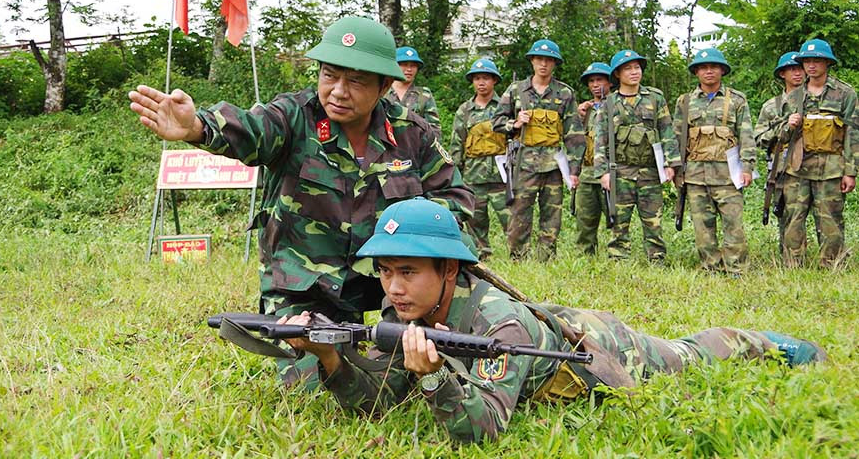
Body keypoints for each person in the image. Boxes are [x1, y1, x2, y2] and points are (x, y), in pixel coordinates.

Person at [279, 198, 826, 443]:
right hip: (550, 328)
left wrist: (437, 378)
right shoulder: (407, 312)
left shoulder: (500, 327)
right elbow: (378, 401)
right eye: (386, 272)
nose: (393, 288)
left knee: (688, 353)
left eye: (408, 272)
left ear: (450, 271)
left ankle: (777, 343)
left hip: (594, 344)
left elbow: (485, 429)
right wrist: (328, 357)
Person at [128, 16, 473, 386]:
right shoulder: (294, 117)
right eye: (330, 75)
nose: (338, 91)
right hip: (307, 288)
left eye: (355, 80)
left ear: (385, 85)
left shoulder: (412, 133)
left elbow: (457, 200)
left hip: (387, 281)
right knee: (319, 389)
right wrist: (198, 127)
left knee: (404, 377)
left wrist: (410, 236)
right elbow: (251, 130)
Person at [491, 39, 584, 260]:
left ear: (555, 64)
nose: (544, 64)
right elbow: (495, 122)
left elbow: (574, 134)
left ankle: (546, 258)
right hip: (524, 163)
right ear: (532, 61)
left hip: (553, 163)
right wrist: (514, 123)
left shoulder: (564, 93)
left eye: (549, 60)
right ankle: (518, 257)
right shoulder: (516, 90)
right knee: (520, 213)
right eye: (540, 59)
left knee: (552, 214)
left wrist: (573, 170)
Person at [673, 48, 756, 275]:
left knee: (734, 224)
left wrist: (747, 167)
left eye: (714, 67)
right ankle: (711, 266)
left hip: (728, 175)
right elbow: (677, 138)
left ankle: (736, 268)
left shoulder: (737, 100)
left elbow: (746, 135)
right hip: (696, 175)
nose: (709, 71)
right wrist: (676, 170)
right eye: (703, 67)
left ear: (722, 70)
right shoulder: (685, 102)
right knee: (702, 226)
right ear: (697, 72)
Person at [777, 39, 858, 268]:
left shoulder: (845, 94)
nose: (811, 66)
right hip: (798, 167)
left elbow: (853, 134)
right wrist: (788, 126)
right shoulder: (793, 97)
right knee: (794, 217)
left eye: (817, 61)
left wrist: (850, 172)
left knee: (830, 218)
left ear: (827, 63)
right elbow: (779, 136)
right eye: (807, 61)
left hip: (831, 167)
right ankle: (793, 265)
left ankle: (831, 264)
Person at [593, 50, 680, 262]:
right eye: (628, 68)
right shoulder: (608, 103)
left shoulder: (655, 98)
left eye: (637, 67)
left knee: (653, 220)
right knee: (619, 221)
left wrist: (671, 163)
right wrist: (602, 172)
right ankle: (618, 258)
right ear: (617, 74)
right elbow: (600, 139)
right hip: (620, 170)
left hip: (649, 170)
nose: (634, 72)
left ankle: (657, 258)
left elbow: (667, 130)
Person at [448, 58, 510, 259]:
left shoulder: (505, 106)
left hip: (502, 174)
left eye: (485, 78)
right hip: (474, 174)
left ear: (494, 81)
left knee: (510, 216)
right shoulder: (464, 110)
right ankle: (482, 253)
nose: (481, 83)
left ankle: (517, 252)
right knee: (476, 218)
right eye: (477, 78)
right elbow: (457, 143)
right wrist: (454, 174)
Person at [754, 52, 807, 254]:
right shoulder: (771, 106)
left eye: (799, 68)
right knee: (787, 215)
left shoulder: (815, 99)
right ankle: (790, 260)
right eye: (791, 69)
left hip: (813, 165)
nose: (797, 73)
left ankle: (829, 261)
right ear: (782, 73)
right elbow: (759, 137)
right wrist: (784, 128)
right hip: (783, 167)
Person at [575, 61, 612, 254]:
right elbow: (574, 141)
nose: (596, 84)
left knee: (615, 219)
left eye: (600, 80)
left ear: (610, 82)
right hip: (587, 173)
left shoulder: (617, 105)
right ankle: (585, 257)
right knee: (585, 221)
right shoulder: (585, 109)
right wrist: (579, 117)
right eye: (592, 81)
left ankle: (617, 257)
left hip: (609, 172)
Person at [385, 46, 442, 138]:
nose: (409, 69)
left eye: (413, 65)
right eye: (404, 64)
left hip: (415, 149)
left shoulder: (424, 95)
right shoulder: (382, 92)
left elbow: (434, 128)